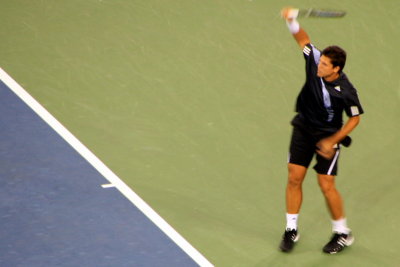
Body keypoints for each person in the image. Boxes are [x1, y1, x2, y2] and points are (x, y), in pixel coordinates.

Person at [279, 7, 364, 254]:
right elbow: (302, 39)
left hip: (328, 134)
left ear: (336, 69)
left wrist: (332, 141)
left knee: (326, 185)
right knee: (294, 176)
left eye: (325, 64)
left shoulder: (346, 91)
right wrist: (291, 21)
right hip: (304, 126)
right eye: (321, 61)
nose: (319, 65)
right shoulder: (315, 59)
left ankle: (342, 233)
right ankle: (291, 229)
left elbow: (355, 119)